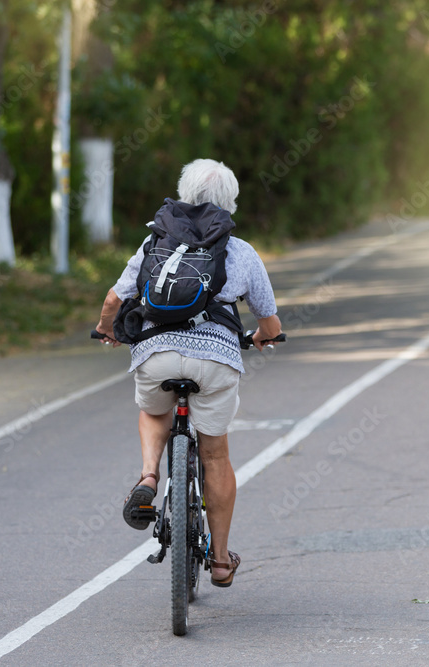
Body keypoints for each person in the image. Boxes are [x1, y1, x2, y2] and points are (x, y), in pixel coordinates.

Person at [94, 158, 282, 586]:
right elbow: (270, 321)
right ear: (230, 202)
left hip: (155, 352)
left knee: (154, 410)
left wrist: (107, 329)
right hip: (216, 358)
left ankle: (148, 476)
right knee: (215, 453)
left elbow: (112, 300)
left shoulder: (154, 243)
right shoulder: (240, 251)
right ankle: (219, 559)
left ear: (183, 192)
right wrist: (263, 336)